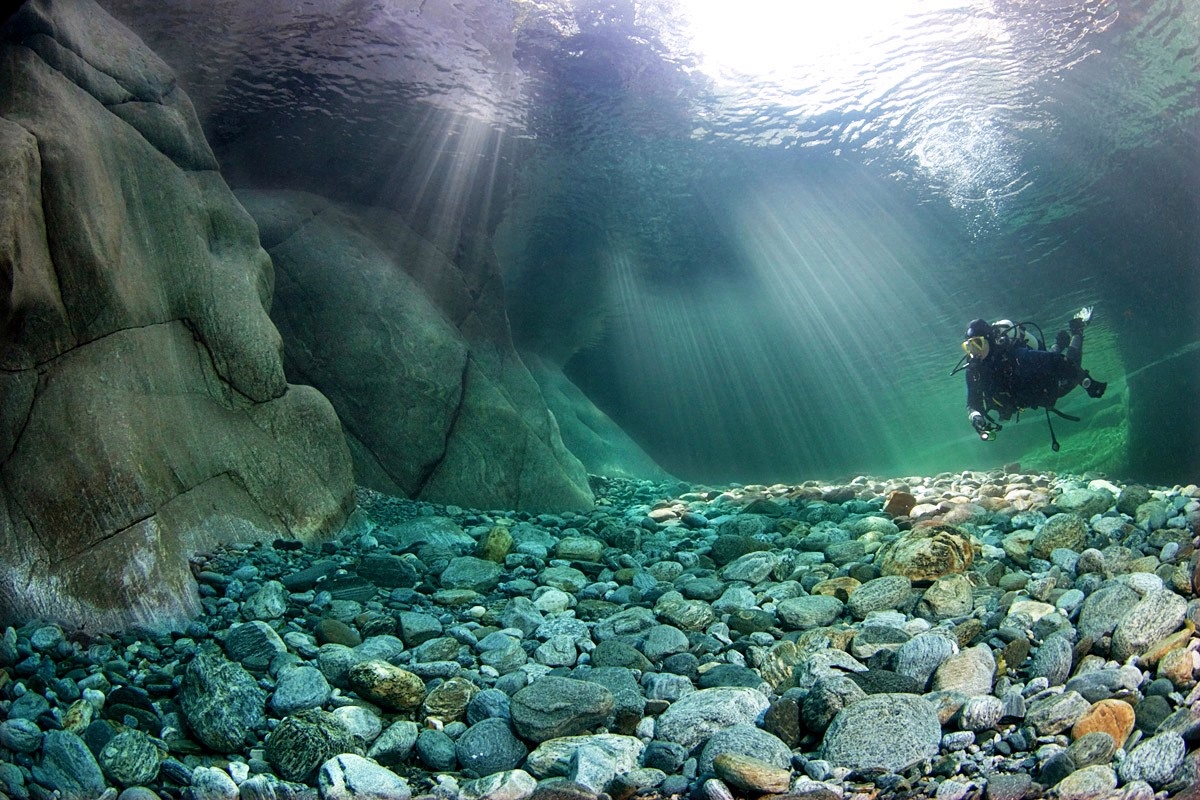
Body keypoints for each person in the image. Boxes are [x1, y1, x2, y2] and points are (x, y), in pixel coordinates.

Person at [960, 307, 1107, 449]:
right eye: (968, 346)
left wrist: (1087, 382)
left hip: (1048, 384)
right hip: (1031, 390)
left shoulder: (1015, 356)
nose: (973, 352)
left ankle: (1077, 329)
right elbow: (973, 403)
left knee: (1069, 373)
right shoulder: (974, 372)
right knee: (1044, 360)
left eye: (977, 344)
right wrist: (976, 419)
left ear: (989, 341)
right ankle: (1059, 344)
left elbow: (1058, 362)